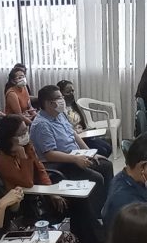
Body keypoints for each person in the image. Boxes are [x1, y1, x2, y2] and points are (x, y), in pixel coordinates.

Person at [0, 115, 105, 243]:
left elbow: (40, 170)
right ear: (10, 137)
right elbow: (26, 181)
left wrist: (51, 192)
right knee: (77, 207)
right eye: (22, 132)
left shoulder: (27, 146)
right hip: (22, 206)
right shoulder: (1, 158)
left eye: (26, 130)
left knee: (79, 202)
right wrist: (23, 156)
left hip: (39, 194)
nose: (26, 134)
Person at [30, 85, 113, 218]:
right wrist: (75, 159)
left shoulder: (60, 114)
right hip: (59, 164)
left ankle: (108, 206)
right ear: (48, 103)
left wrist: (90, 152)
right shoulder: (42, 124)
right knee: (95, 178)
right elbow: (49, 154)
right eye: (59, 98)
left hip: (75, 156)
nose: (62, 100)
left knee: (105, 165)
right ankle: (95, 217)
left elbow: (73, 133)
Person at [57, 80, 112, 158]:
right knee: (103, 150)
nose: (71, 94)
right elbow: (67, 130)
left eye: (73, 91)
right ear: (61, 94)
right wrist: (78, 132)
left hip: (84, 135)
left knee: (108, 147)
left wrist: (87, 129)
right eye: (68, 92)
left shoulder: (74, 106)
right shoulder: (60, 110)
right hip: (76, 139)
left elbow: (81, 123)